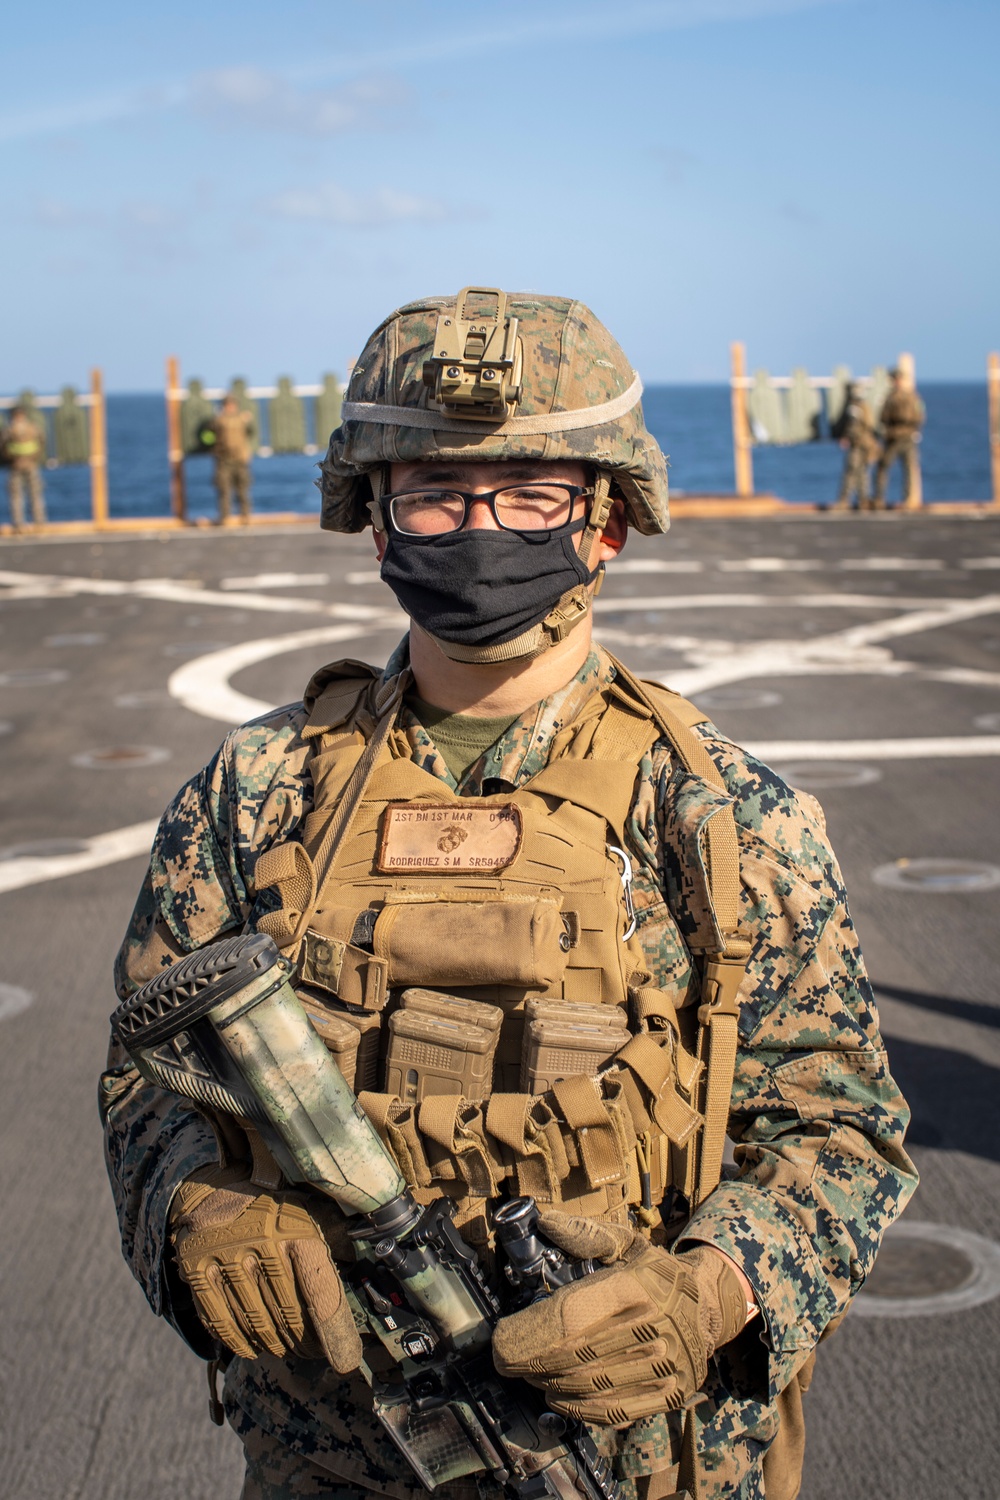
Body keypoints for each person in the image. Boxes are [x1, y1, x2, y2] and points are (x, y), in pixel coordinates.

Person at [101, 289, 916, 1500]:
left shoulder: (723, 815)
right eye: (433, 493)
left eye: (532, 495)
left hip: (632, 1460)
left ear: (606, 526)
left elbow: (839, 1132)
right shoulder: (254, 793)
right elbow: (144, 1072)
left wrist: (708, 1293)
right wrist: (194, 1213)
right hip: (334, 1460)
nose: (481, 528)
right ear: (376, 524)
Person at [872, 368, 925, 509]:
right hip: (908, 436)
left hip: (896, 437)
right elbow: (920, 415)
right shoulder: (912, 396)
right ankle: (906, 501)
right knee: (908, 469)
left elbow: (883, 417)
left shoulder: (892, 397)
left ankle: (879, 499)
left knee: (885, 468)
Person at [832, 384, 880, 511]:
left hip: (858, 444)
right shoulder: (864, 406)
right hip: (866, 443)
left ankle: (845, 500)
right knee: (862, 473)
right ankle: (863, 500)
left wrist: (846, 437)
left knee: (851, 472)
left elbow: (854, 426)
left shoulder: (854, 407)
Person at [2, 404, 47, 529]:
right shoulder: (33, 427)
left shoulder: (9, 429)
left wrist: (9, 457)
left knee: (16, 497)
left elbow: (3, 446)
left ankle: (18, 524)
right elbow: (42, 441)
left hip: (15, 465)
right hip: (31, 464)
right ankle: (39, 522)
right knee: (35, 494)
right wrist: (36, 456)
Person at [211, 393, 255, 522]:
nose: (230, 407)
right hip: (223, 460)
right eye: (227, 405)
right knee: (224, 490)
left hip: (240, 460)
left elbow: (250, 433)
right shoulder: (218, 421)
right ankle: (224, 517)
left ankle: (245, 516)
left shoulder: (243, 419)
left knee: (242, 490)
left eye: (232, 405)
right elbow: (209, 436)